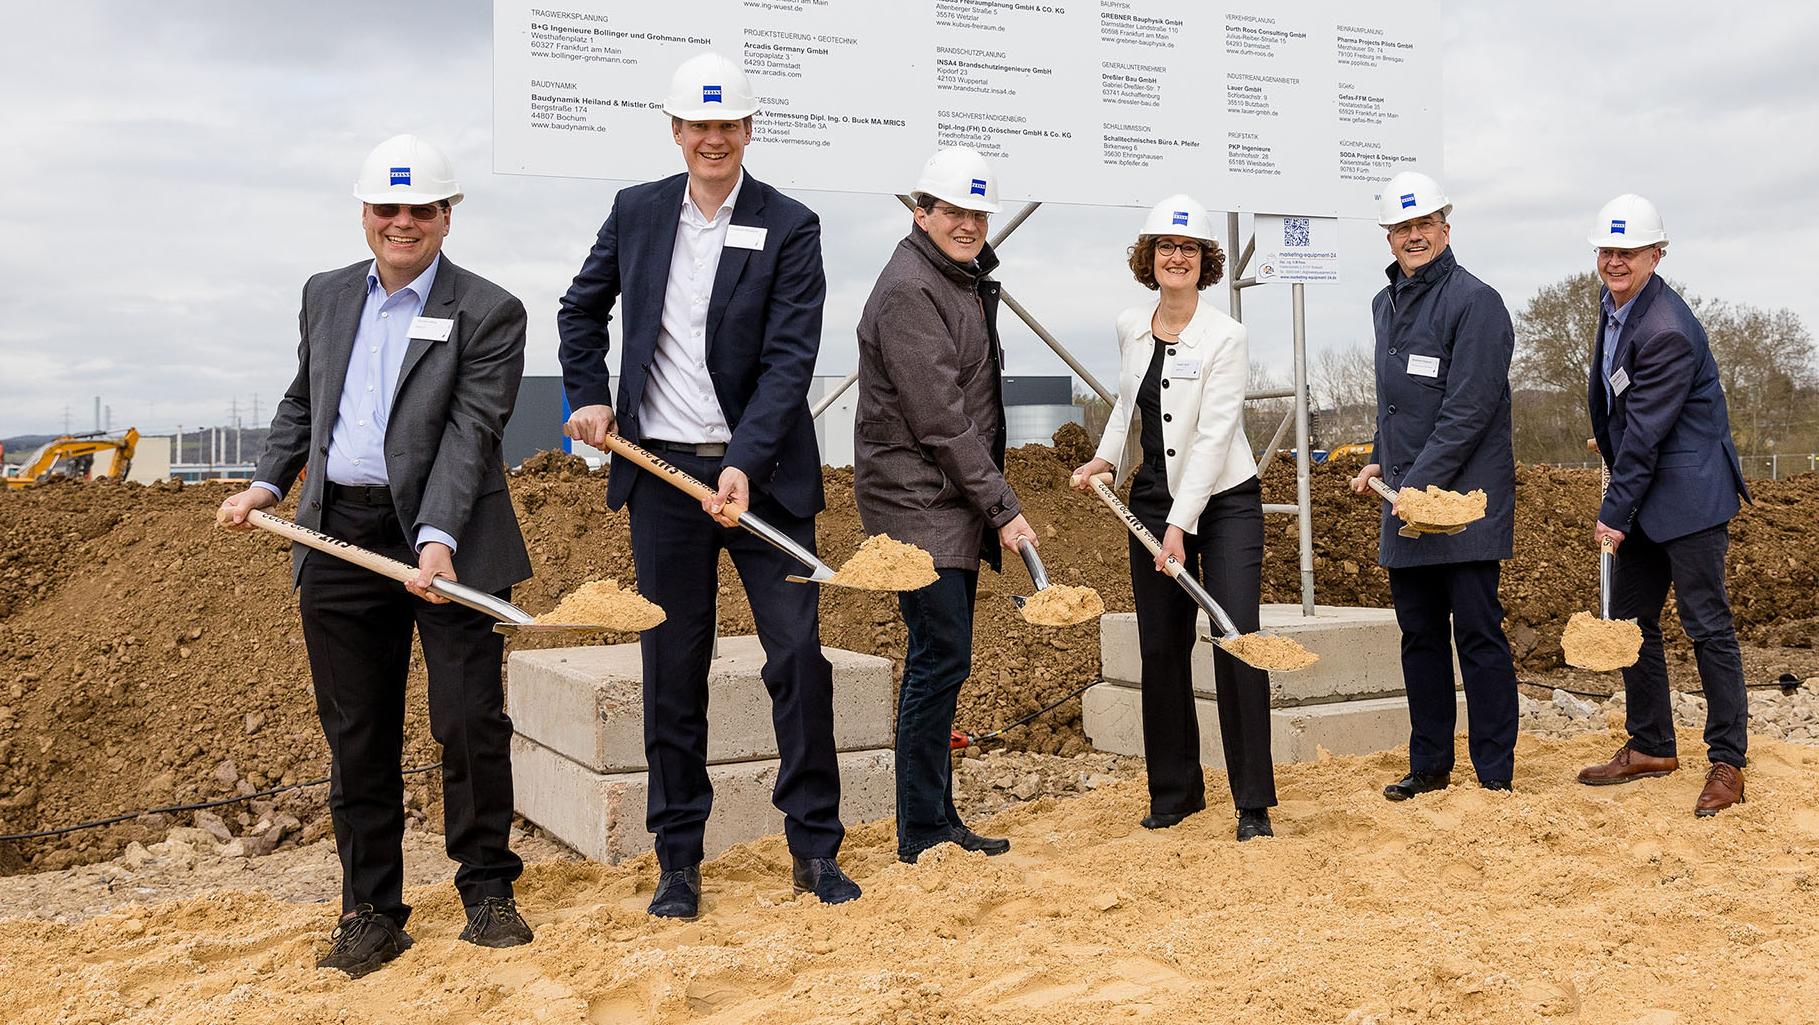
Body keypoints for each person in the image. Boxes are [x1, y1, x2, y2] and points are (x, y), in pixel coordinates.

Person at [216, 135, 534, 976]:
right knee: (358, 732)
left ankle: (487, 889)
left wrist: (436, 535)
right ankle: (372, 910)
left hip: (452, 537)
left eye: (420, 210)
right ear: (364, 213)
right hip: (337, 536)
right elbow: (301, 401)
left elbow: (471, 433)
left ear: (446, 217)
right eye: (386, 209)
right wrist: (264, 485)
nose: (402, 223)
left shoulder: (490, 310)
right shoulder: (325, 296)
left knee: (468, 719)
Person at [557, 52, 859, 918]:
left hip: (760, 475)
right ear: (677, 131)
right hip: (659, 474)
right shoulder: (637, 211)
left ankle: (813, 847)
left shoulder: (790, 224)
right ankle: (678, 859)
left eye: (729, 125)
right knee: (672, 667)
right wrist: (586, 393)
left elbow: (788, 359)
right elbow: (582, 309)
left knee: (798, 656)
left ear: (748, 130)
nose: (714, 138)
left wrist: (744, 460)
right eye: (699, 125)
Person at [1071, 195, 1276, 841]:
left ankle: (1251, 801)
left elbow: (1214, 436)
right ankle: (1176, 790)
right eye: (1165, 247)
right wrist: (1105, 460)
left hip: (1223, 502)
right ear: (1148, 257)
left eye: (1188, 248)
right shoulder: (1131, 324)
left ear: (1205, 260)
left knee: (1234, 637)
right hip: (1153, 500)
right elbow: (1125, 406)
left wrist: (1179, 526)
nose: (1176, 257)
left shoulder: (1225, 335)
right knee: (1160, 647)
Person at [853, 147, 1035, 864]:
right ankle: (922, 828)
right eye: (953, 211)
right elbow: (939, 418)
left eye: (977, 213)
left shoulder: (952, 278)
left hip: (943, 498)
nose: (967, 224)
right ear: (921, 212)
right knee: (938, 656)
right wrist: (1002, 506)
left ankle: (932, 818)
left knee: (943, 657)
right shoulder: (909, 290)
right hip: (915, 500)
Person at [1573, 194, 1752, 816]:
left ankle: (1728, 761)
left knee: (1708, 628)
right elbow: (1629, 406)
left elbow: (1649, 435)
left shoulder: (1667, 328)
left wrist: (1612, 515)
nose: (1614, 261)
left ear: (1656, 253)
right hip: (1646, 485)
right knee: (1629, 622)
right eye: (1607, 250)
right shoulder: (1616, 304)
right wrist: (1612, 438)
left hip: (1689, 495)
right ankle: (1652, 745)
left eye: (1628, 252)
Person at [1348, 171, 1519, 800]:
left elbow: (1468, 409)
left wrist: (1416, 486)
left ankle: (1494, 772)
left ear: (1445, 228)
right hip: (1409, 503)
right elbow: (1397, 407)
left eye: (1424, 226)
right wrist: (1378, 461)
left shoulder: (1477, 302)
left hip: (1463, 505)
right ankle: (1429, 767)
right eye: (1402, 228)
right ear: (1389, 237)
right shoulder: (1384, 303)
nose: (1413, 237)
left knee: (1477, 633)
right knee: (1419, 634)